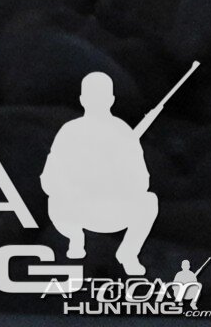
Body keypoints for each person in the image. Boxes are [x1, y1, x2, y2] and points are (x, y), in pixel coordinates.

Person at [44, 70, 159, 274]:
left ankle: (128, 253)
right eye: (92, 96)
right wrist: (74, 187)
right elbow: (49, 177)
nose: (97, 101)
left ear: (111, 99)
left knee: (149, 202)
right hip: (74, 210)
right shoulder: (70, 131)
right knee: (55, 201)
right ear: (82, 99)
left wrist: (117, 177)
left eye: (101, 96)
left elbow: (142, 181)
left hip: (111, 210)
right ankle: (76, 239)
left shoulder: (123, 133)